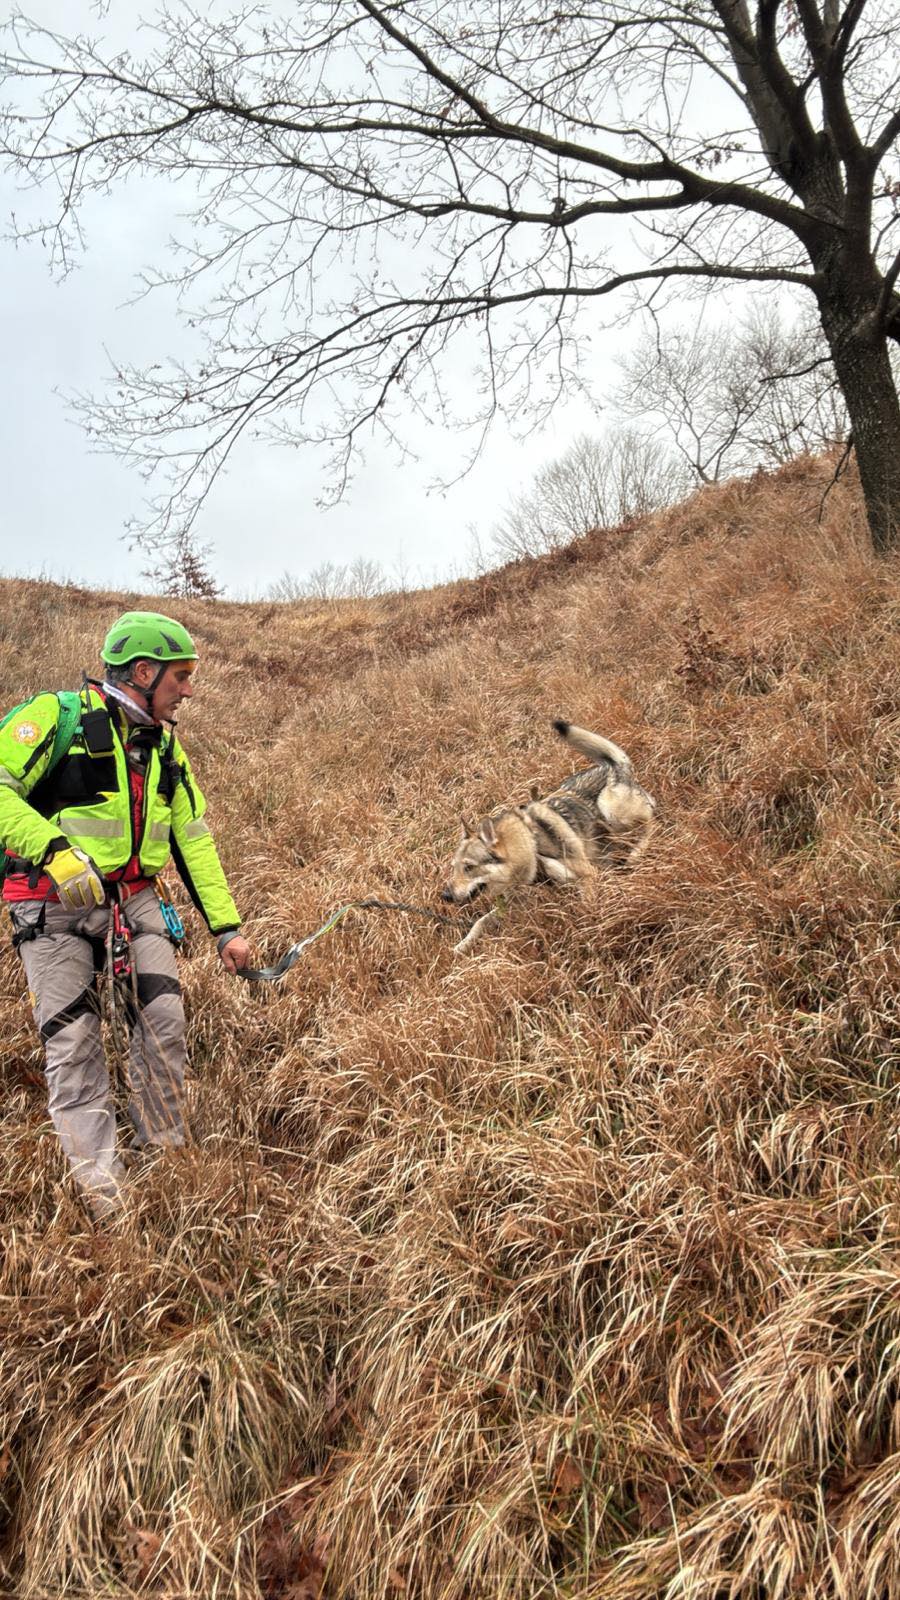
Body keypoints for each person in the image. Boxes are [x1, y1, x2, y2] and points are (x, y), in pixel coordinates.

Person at [0, 611, 251, 1218]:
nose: (188, 688)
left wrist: (227, 929)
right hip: (49, 909)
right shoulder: (53, 718)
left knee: (164, 1022)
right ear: (143, 671)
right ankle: (107, 1202)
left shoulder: (165, 747)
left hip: (133, 901)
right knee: (75, 1047)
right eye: (181, 675)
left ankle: (166, 1162)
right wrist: (55, 852)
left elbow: (193, 838)